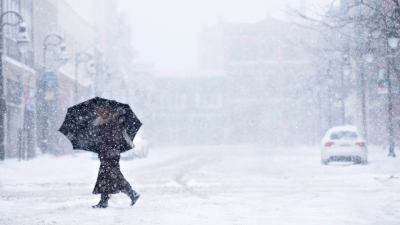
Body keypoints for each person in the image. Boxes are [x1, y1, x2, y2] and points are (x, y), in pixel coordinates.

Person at [92, 106, 140, 208]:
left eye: (99, 111)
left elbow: (111, 139)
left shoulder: (112, 122)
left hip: (110, 153)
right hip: (107, 153)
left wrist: (106, 149)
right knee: (104, 175)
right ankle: (103, 201)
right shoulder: (108, 121)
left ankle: (132, 194)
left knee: (114, 175)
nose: (98, 113)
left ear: (106, 111)